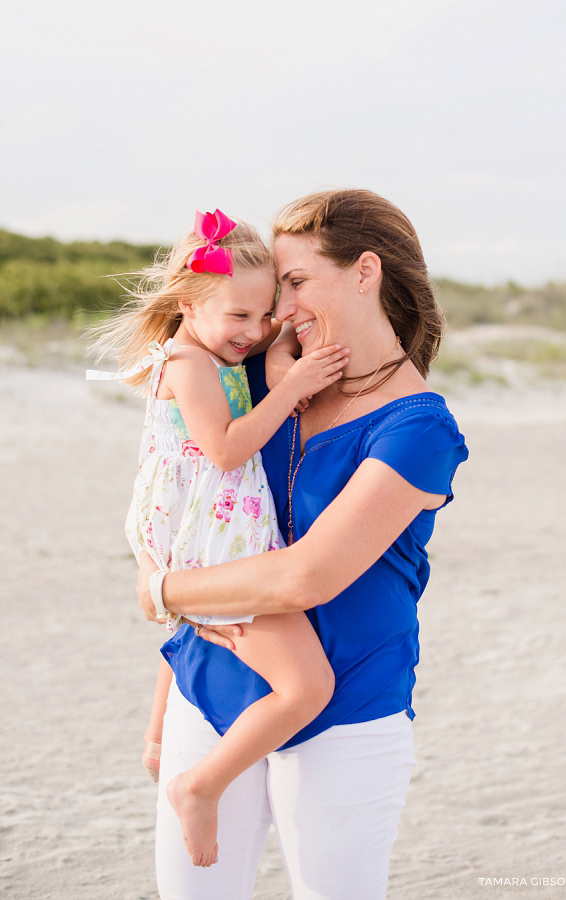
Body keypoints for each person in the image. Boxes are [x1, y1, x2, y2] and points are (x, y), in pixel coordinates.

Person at [137, 189, 469, 900]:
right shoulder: (261, 378)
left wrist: (160, 591)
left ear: (364, 271)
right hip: (212, 685)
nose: (279, 312)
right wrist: (166, 700)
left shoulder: (417, 429)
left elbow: (301, 579)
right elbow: (203, 524)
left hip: (342, 710)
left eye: (295, 283)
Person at [87, 209, 351, 867]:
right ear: (187, 302)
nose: (254, 331)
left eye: (263, 314)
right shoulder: (187, 360)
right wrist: (292, 382)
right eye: (239, 316)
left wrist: (280, 343)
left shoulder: (211, 343)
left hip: (204, 525)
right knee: (305, 687)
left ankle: (156, 741)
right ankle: (198, 786)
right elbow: (227, 449)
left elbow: (259, 342)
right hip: (213, 535)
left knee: (184, 626)